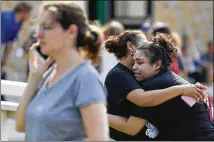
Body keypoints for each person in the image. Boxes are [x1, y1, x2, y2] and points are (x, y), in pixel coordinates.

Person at [15, 1, 108, 141]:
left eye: (46, 27)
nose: (38, 35)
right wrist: (34, 78)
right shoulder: (50, 74)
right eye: (39, 28)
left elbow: (98, 139)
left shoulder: (85, 77)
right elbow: (21, 125)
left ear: (71, 32)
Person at [108, 34, 214, 140]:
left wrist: (98, 115)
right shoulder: (167, 77)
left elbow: (131, 127)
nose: (134, 67)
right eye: (134, 62)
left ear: (157, 65)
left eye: (140, 63)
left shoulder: (153, 85)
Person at [1, 2, 32, 79]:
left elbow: (9, 43)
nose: (29, 16)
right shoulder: (6, 19)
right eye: (29, 13)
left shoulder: (18, 23)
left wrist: (3, 63)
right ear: (24, 12)